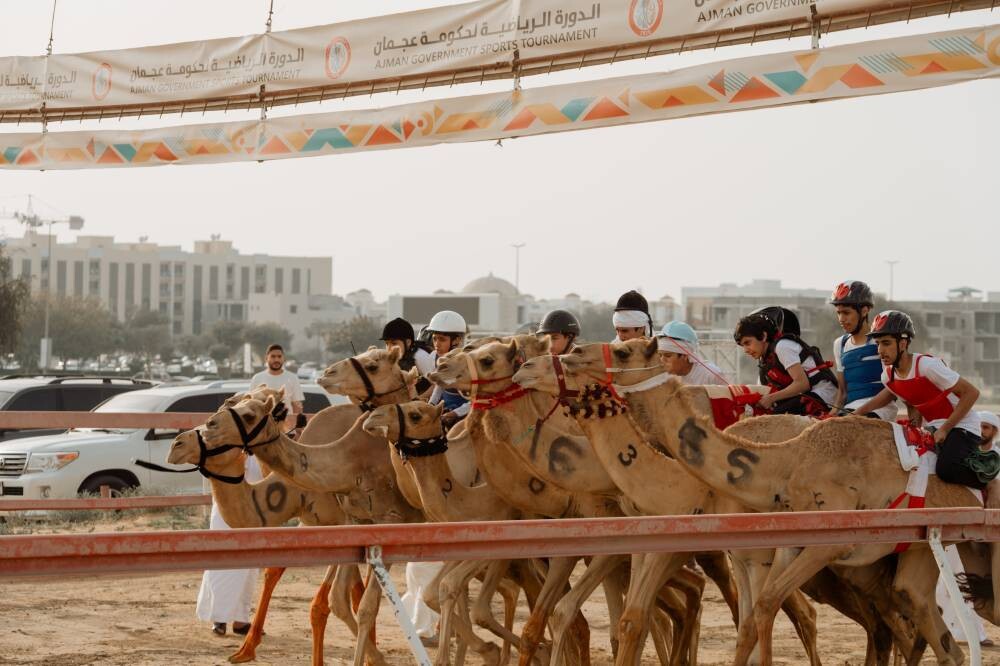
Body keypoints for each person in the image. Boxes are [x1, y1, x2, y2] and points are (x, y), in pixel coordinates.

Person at [855, 310, 998, 489]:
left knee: (946, 470)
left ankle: (991, 482)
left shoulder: (927, 366)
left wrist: (945, 429)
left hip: (963, 426)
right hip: (934, 429)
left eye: (886, 343)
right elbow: (911, 404)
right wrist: (857, 413)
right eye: (878, 344)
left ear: (903, 343)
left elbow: (972, 393)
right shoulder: (888, 377)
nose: (880, 351)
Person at [197, 454, 264, 636]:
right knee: (225, 562)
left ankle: (241, 620)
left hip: (253, 511)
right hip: (227, 508)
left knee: (250, 568)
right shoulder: (230, 442)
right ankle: (219, 618)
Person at [733, 306, 839, 416]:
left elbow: (802, 384)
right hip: (804, 396)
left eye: (747, 343)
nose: (745, 350)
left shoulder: (782, 346)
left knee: (775, 417)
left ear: (763, 336)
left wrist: (770, 399)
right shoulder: (765, 365)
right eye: (742, 346)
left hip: (824, 395)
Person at [828, 281, 897, 420]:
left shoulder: (881, 342)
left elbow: (892, 390)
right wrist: (829, 416)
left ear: (864, 310)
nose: (841, 319)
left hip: (880, 411)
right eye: (839, 313)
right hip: (850, 411)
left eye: (846, 313)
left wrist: (858, 413)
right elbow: (842, 392)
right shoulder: (839, 344)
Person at [425, 310, 469, 430]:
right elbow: (440, 387)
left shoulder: (467, 363)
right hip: (446, 412)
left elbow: (477, 400)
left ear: (457, 340)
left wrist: (455, 413)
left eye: (442, 339)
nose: (436, 344)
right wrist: (430, 406)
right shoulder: (437, 358)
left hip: (466, 417)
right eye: (434, 339)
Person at [250, 344, 306, 434]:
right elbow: (251, 405)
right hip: (263, 433)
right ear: (266, 358)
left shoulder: (292, 378)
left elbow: (297, 405)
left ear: (283, 359)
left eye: (279, 356)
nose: (276, 359)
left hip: (287, 432)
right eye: (273, 356)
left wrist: (298, 430)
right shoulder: (257, 378)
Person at [656, 320, 726, 385]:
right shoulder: (663, 379)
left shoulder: (711, 375)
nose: (662, 360)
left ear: (685, 356)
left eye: (668, 356)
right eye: (660, 355)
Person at [380, 317, 433, 393]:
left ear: (408, 342)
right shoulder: (392, 360)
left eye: (394, 343)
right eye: (387, 344)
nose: (389, 348)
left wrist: (419, 399)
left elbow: (436, 385)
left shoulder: (420, 356)